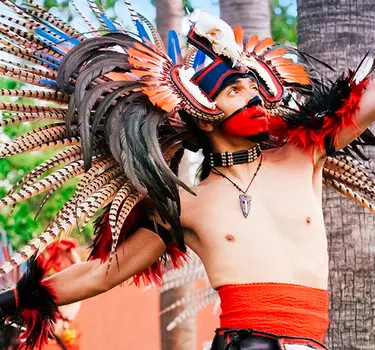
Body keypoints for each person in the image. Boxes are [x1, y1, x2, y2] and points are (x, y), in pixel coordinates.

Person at [0, 1, 374, 349]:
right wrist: (12, 299)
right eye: (235, 90)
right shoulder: (186, 206)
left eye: (255, 88)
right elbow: (100, 274)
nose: (254, 97)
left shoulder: (305, 153)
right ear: (205, 113)